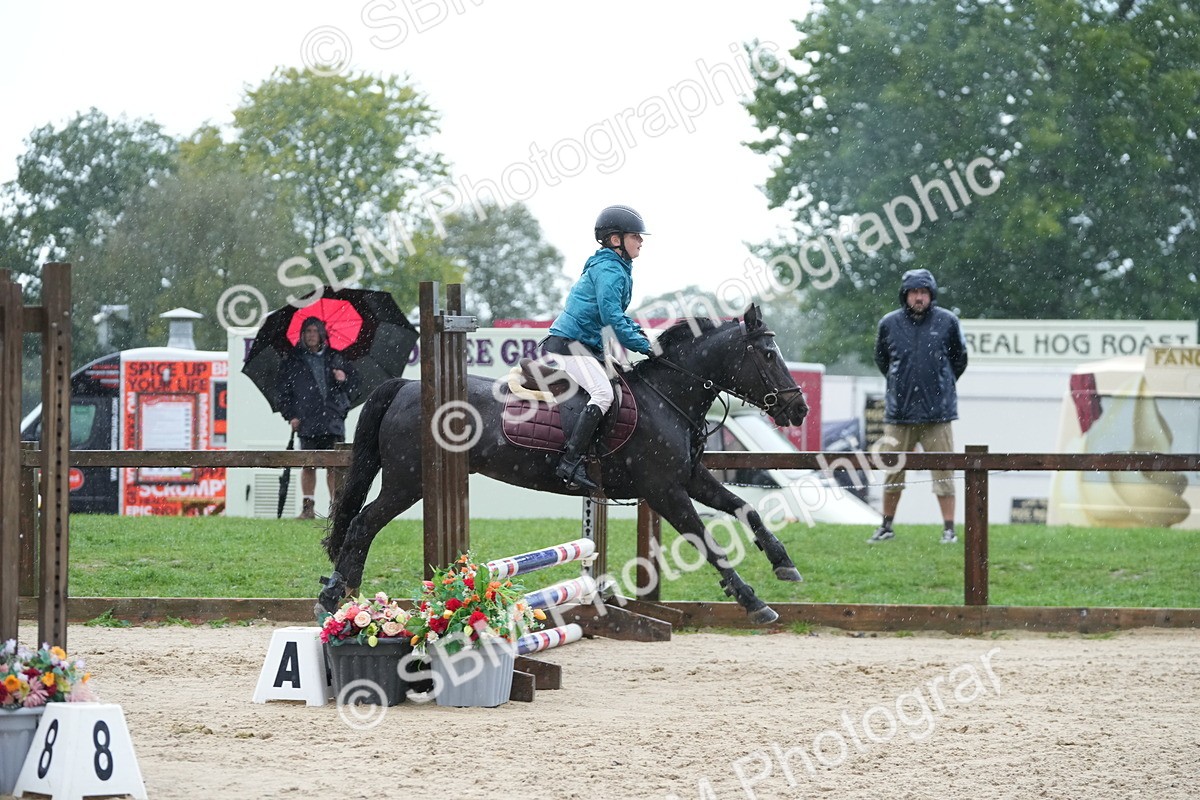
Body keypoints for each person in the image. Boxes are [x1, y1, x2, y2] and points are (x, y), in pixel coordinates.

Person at [541, 204, 654, 491]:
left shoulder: (616, 267)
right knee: (603, 393)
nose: (641, 240)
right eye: (635, 236)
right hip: (569, 344)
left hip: (586, 345)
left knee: (621, 383)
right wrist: (644, 346)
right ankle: (569, 462)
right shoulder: (610, 270)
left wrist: (638, 334)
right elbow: (611, 317)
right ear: (616, 240)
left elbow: (615, 315)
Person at [868, 268, 968, 544]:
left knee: (944, 471)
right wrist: (901, 385)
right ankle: (886, 527)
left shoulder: (948, 322)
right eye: (914, 292)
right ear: (906, 295)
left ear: (931, 295)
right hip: (899, 414)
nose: (919, 297)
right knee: (893, 470)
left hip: (939, 414)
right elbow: (883, 361)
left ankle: (949, 529)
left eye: (924, 292)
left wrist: (940, 383)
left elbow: (959, 360)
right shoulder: (889, 324)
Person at [277, 316, 359, 519]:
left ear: (322, 334)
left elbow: (355, 386)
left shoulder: (336, 358)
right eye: (307, 331)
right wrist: (292, 415)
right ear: (302, 335)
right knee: (308, 463)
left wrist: (343, 379)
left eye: (315, 331)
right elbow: (283, 393)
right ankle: (308, 508)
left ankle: (335, 508)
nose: (311, 335)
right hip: (307, 421)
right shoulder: (293, 360)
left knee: (334, 465)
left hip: (332, 421)